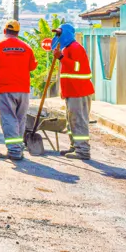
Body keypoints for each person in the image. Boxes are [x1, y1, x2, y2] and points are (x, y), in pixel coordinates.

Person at [0, 20, 37, 161]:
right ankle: (18, 148)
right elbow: (32, 66)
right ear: (18, 32)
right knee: (20, 119)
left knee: (9, 118)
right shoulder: (27, 47)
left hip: (5, 89)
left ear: (5, 31)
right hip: (24, 90)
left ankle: (14, 151)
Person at [52, 23, 96, 160]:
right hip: (72, 92)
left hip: (80, 91)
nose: (57, 36)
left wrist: (61, 58)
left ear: (67, 33)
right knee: (71, 120)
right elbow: (66, 73)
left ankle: (82, 150)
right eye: (56, 34)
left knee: (79, 121)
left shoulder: (76, 48)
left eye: (59, 33)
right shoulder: (67, 48)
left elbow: (77, 67)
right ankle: (75, 146)